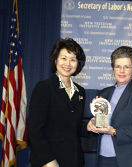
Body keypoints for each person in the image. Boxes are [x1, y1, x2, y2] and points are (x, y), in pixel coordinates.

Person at [87, 46, 132, 167]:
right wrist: (92, 124)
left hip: (129, 159)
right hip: (103, 158)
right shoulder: (103, 94)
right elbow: (101, 124)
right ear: (113, 69)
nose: (122, 71)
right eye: (118, 66)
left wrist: (114, 131)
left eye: (127, 67)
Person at [28, 38, 87, 167]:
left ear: (78, 64)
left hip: (74, 160)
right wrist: (48, 161)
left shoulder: (80, 91)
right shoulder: (44, 87)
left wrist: (89, 127)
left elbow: (74, 127)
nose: (68, 63)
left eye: (73, 59)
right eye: (64, 58)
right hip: (49, 161)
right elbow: (34, 130)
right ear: (56, 60)